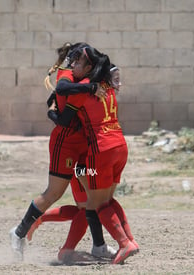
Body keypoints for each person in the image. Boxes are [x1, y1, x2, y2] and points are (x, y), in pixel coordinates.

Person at [9, 42, 116, 262]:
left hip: (84, 146)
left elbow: (58, 99)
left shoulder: (84, 78)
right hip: (65, 144)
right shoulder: (69, 74)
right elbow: (62, 93)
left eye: (84, 62)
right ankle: (19, 232)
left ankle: (98, 246)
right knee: (54, 193)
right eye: (80, 60)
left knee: (90, 197)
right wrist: (86, 91)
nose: (79, 64)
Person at [48, 47, 139, 264]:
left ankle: (122, 244)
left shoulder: (82, 89)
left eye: (78, 63)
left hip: (99, 152)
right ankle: (122, 242)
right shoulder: (106, 85)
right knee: (101, 201)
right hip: (119, 147)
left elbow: (63, 116)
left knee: (93, 205)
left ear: (89, 67)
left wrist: (51, 109)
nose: (73, 67)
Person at [27, 64, 123, 246]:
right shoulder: (85, 92)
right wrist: (52, 111)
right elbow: (56, 99)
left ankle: (97, 246)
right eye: (116, 80)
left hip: (90, 158)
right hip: (77, 160)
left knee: (88, 206)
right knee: (89, 206)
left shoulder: (104, 97)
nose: (119, 84)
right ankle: (71, 250)